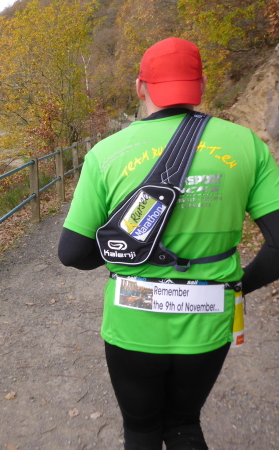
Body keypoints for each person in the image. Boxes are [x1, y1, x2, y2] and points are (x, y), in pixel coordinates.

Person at [58, 37, 279, 450]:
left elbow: (72, 253)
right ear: (202, 85)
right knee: (184, 424)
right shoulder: (246, 144)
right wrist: (236, 287)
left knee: (141, 430)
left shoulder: (106, 153)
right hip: (210, 319)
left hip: (132, 321)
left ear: (140, 87)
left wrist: (125, 250)